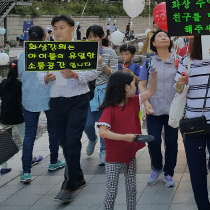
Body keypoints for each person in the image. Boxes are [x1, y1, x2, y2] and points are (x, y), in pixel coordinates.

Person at [40, 15, 98, 203]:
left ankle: (69, 183)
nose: (57, 31)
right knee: (64, 141)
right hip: (55, 101)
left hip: (78, 100)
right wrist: (44, 78)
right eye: (54, 28)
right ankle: (78, 176)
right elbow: (38, 72)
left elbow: (92, 72)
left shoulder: (82, 49)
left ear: (72, 28)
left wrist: (74, 74)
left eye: (62, 27)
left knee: (72, 139)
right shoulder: (47, 50)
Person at [175, 35, 210, 210]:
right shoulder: (186, 60)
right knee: (197, 171)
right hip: (193, 122)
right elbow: (177, 87)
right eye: (208, 38)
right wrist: (181, 83)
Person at [98, 70, 159, 210]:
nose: (135, 86)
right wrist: (125, 137)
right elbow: (103, 132)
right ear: (126, 87)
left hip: (130, 156)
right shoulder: (109, 109)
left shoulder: (134, 101)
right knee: (111, 192)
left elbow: (152, 91)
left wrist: (154, 76)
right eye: (133, 84)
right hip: (113, 159)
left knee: (132, 189)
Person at [18, 26, 65, 184]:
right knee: (53, 130)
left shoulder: (22, 54)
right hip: (49, 97)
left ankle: (26, 172)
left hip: (28, 98)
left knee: (29, 135)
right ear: (45, 37)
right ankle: (53, 161)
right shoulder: (49, 53)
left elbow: (20, 76)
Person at [138, 30, 179, 187]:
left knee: (171, 142)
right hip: (153, 108)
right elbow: (142, 84)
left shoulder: (178, 60)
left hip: (172, 109)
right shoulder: (148, 61)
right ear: (153, 43)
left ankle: (169, 173)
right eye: (159, 36)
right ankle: (156, 167)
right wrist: (145, 101)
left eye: (166, 36)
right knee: (153, 141)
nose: (164, 38)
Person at [85, 25, 118, 166]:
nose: (92, 39)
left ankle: (104, 150)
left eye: (95, 36)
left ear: (102, 36)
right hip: (89, 93)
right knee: (87, 124)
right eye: (90, 36)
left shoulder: (110, 52)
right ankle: (92, 139)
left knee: (103, 124)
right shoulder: (84, 52)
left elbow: (116, 74)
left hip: (104, 92)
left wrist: (102, 63)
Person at [0, 60, 26, 175]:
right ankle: (28, 161)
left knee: (5, 139)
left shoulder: (3, 83)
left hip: (4, 114)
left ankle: (4, 165)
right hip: (18, 114)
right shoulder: (19, 84)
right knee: (24, 137)